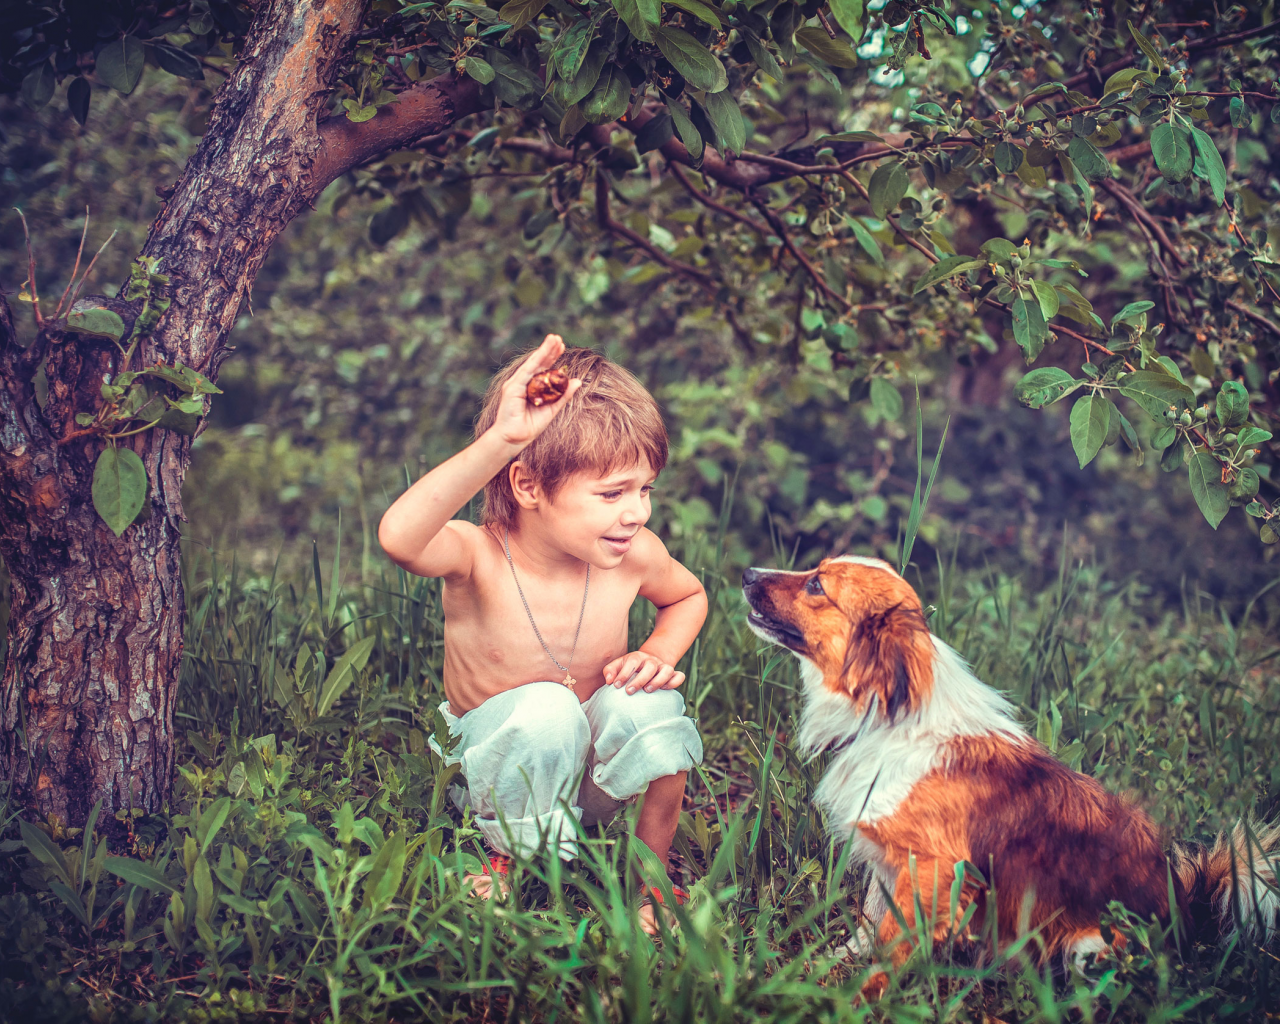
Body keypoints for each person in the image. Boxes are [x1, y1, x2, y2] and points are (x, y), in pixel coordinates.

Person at [378, 334, 706, 934]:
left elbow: (688, 595)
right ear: (529, 486)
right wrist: (501, 442)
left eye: (644, 490)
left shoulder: (633, 554)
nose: (637, 512)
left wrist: (657, 654)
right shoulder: (478, 556)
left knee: (653, 704)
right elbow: (400, 538)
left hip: (587, 776)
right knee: (548, 709)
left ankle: (651, 880)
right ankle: (500, 855)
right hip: (489, 773)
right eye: (612, 493)